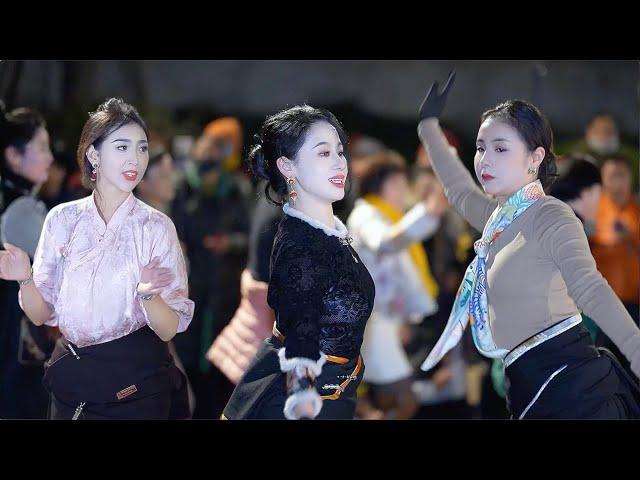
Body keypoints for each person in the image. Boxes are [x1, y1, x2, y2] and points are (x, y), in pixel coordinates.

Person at [417, 72, 640, 419]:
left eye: (500, 148)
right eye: (480, 148)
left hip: (571, 388)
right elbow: (459, 192)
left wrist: (637, 351)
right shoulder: (500, 218)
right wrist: (429, 126)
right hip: (528, 386)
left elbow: (590, 289)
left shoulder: (550, 214)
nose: (485, 159)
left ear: (535, 157)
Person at [0, 98, 194, 419]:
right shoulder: (62, 219)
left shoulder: (156, 227)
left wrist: (148, 295)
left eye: (142, 148)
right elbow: (40, 314)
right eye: (122, 147)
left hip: (137, 387)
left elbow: (168, 329)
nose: (135, 158)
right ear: (93, 154)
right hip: (73, 384)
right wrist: (24, 278)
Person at [222, 105, 375, 420]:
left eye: (339, 151)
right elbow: (301, 329)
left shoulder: (325, 233)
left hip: (334, 392)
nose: (339, 163)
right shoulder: (301, 244)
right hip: (300, 402)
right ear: (287, 166)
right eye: (323, 153)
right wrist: (301, 393)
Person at [347, 151, 445, 419]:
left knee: (388, 402)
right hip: (373, 324)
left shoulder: (381, 214)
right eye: (399, 185)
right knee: (404, 400)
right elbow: (386, 242)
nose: (404, 192)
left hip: (382, 324)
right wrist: (426, 212)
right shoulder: (366, 215)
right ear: (383, 186)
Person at [0, 101, 55, 418]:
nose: (50, 157)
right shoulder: (21, 211)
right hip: (14, 344)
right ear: (13, 155)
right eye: (42, 147)